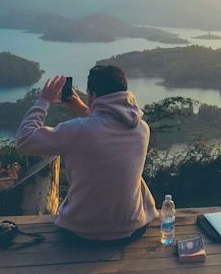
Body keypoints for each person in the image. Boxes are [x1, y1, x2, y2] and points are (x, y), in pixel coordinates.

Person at [16, 65, 158, 244]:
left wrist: (43, 101)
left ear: (92, 95)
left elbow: (25, 139)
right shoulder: (142, 129)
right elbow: (107, 125)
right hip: (132, 229)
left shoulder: (76, 131)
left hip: (81, 232)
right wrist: (84, 109)